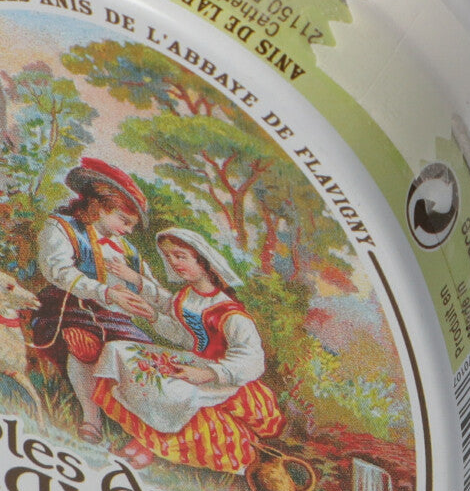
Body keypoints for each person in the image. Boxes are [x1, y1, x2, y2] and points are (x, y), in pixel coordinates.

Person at [92, 227, 285, 471]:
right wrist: (152, 315)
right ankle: (144, 441)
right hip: (195, 360)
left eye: (180, 256)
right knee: (118, 351)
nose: (173, 263)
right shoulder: (187, 296)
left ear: (203, 261)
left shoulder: (231, 314)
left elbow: (253, 360)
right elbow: (182, 335)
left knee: (173, 392)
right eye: (168, 256)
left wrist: (207, 374)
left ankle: (148, 447)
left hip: (223, 376)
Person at [33, 157, 156, 443]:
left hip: (116, 319)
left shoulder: (128, 250)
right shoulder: (62, 227)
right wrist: (105, 292)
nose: (128, 230)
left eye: (132, 225)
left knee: (143, 356)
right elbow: (58, 271)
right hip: (68, 308)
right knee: (85, 344)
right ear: (99, 206)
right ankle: (91, 418)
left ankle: (139, 430)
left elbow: (149, 286)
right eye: (124, 220)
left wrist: (145, 302)